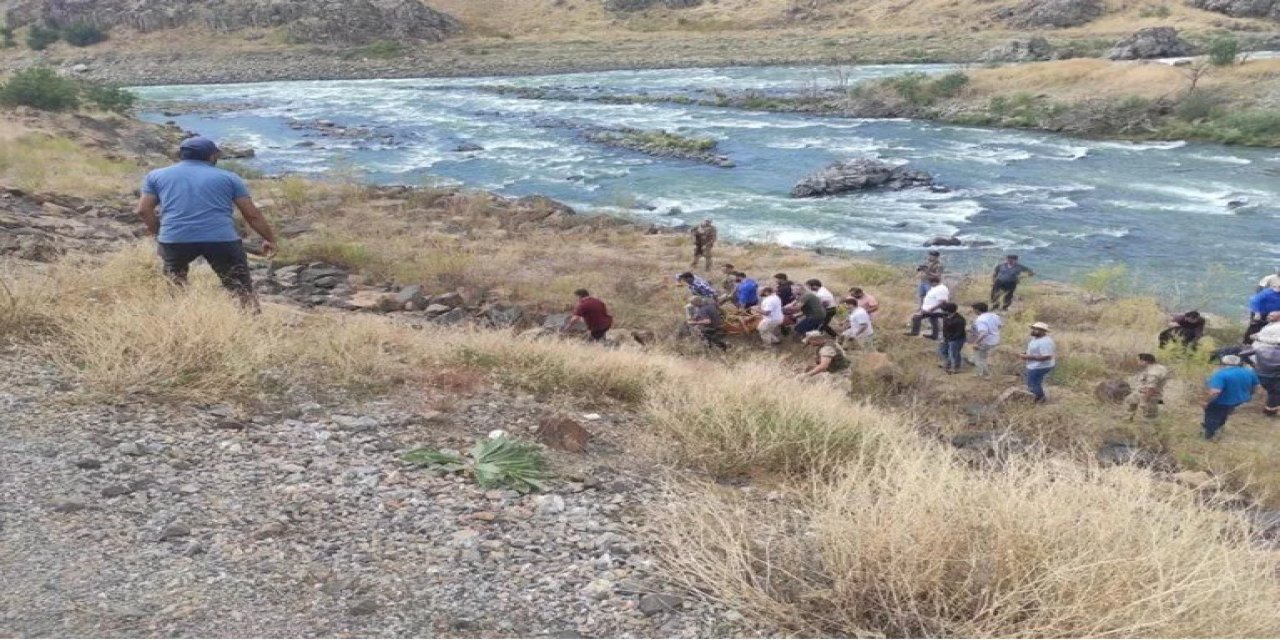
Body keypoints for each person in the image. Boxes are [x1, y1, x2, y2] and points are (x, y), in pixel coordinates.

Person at [136, 136, 277, 312]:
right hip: (221, 239)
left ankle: (179, 321)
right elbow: (251, 214)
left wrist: (159, 232)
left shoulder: (156, 176)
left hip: (175, 238)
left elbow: (143, 210)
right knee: (240, 287)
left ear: (182, 155)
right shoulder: (229, 177)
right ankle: (252, 321)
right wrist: (269, 239)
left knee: (175, 284)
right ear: (212, 156)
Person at [1201, 355, 1260, 440]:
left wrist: (1206, 402)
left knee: (1212, 413)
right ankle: (1219, 427)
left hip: (1222, 401)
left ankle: (1210, 435)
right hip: (1239, 400)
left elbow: (1215, 392)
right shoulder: (1249, 372)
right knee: (1224, 412)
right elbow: (1256, 386)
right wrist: (1251, 395)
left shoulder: (1220, 375)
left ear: (1223, 364)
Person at [1243, 334, 1280, 417]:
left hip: (1258, 375)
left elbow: (1242, 354)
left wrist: (1252, 363)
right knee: (1275, 392)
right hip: (1274, 378)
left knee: (1272, 392)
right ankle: (1270, 410)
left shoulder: (1262, 348)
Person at [1125, 353, 1170, 421]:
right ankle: (1129, 418)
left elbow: (1151, 388)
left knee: (1149, 419)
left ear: (1144, 361)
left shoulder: (1153, 372)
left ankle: (1152, 429)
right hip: (1142, 393)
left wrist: (1145, 401)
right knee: (1131, 399)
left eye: (1139, 360)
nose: (1138, 362)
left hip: (1150, 396)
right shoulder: (1159, 368)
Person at [1020, 322, 1056, 403]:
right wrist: (1026, 353)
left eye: (1036, 329)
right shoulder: (1035, 338)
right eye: (1033, 328)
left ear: (1043, 331)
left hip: (1040, 367)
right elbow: (1035, 351)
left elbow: (1047, 356)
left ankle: (1040, 400)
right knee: (1032, 383)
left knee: (1034, 385)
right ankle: (1038, 399)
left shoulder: (1045, 342)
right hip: (1034, 365)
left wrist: (1027, 357)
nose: (1033, 330)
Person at [968, 302, 1002, 378]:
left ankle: (983, 374)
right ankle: (986, 373)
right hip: (995, 339)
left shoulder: (980, 320)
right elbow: (999, 326)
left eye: (974, 310)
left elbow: (983, 333)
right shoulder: (994, 315)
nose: (973, 311)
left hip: (985, 341)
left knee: (979, 358)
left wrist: (975, 342)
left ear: (977, 310)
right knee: (986, 357)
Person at [938, 302, 966, 374]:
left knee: (954, 353)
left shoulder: (960, 320)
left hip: (956, 339)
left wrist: (951, 339)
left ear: (948, 311)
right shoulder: (946, 316)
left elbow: (959, 332)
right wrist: (944, 337)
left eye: (944, 310)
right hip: (947, 338)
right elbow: (944, 328)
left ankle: (956, 368)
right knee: (943, 351)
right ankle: (947, 363)